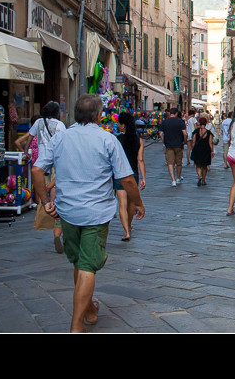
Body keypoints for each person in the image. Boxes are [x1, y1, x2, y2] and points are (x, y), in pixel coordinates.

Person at [31, 94, 145, 333]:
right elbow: (126, 178)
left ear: (74, 114)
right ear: (99, 115)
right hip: (96, 212)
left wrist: (45, 202)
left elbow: (37, 170)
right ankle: (76, 325)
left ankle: (90, 310)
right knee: (87, 267)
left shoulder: (60, 138)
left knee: (79, 263)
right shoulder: (107, 139)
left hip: (67, 212)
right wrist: (138, 202)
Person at [16, 101, 66, 252]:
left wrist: (26, 152)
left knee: (41, 185)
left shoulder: (38, 122)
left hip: (41, 161)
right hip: (56, 159)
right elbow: (64, 144)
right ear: (57, 113)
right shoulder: (60, 125)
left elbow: (30, 138)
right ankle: (54, 209)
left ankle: (44, 204)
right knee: (55, 185)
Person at [114, 111, 146, 241]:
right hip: (133, 174)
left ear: (123, 125)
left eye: (119, 123)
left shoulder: (117, 140)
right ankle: (129, 225)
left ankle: (126, 231)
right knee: (131, 204)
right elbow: (140, 160)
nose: (118, 126)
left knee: (122, 204)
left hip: (119, 174)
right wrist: (143, 178)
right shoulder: (139, 140)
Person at [159, 108, 188, 187]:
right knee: (179, 162)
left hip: (169, 145)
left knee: (170, 163)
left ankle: (173, 180)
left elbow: (160, 134)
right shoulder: (180, 122)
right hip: (178, 144)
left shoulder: (164, 122)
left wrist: (164, 141)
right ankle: (178, 178)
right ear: (176, 114)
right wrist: (184, 141)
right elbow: (185, 133)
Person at [191, 116, 215, 186]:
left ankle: (199, 177)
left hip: (197, 149)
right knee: (204, 166)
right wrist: (212, 151)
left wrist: (193, 149)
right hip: (206, 150)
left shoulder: (196, 131)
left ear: (199, 123)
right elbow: (210, 143)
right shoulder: (209, 132)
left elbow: (193, 141)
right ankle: (204, 180)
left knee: (198, 165)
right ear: (206, 123)